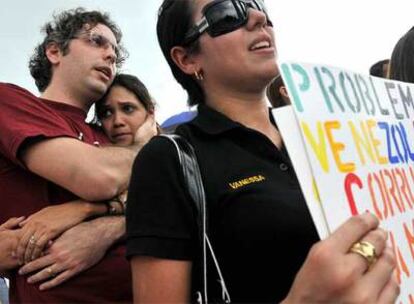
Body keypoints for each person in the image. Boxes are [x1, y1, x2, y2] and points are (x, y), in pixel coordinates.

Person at [125, 0, 399, 303]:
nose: (259, 18)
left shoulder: (328, 135)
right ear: (187, 59)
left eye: (257, 5)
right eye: (226, 14)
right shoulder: (168, 160)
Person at [0, 8, 154, 303]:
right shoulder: (10, 102)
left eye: (115, 51)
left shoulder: (110, 134)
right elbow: (99, 178)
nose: (110, 55)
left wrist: (98, 223)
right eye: (97, 41)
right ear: (55, 51)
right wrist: (145, 146)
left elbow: (159, 203)